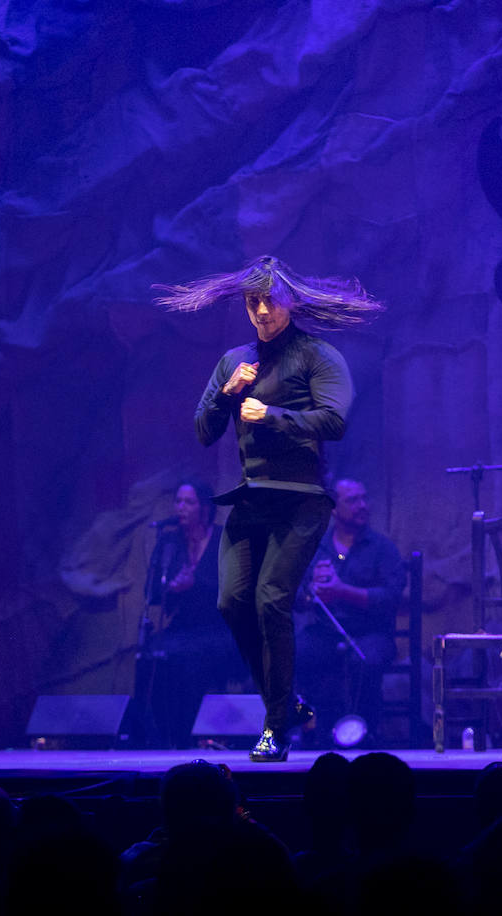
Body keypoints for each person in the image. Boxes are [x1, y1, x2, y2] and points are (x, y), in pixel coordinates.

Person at [155, 255, 384, 761]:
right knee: (231, 603)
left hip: (302, 499)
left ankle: (276, 726)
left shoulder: (317, 356)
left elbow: (335, 420)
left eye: (269, 300)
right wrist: (228, 394)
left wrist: (273, 414)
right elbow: (203, 430)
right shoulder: (234, 362)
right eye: (252, 302)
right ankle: (288, 702)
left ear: (290, 301)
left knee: (271, 600)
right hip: (252, 496)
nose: (260, 310)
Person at [296, 478, 405, 746]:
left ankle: (363, 736)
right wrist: (311, 592)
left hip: (372, 634)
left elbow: (391, 597)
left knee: (363, 660)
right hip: (325, 632)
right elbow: (294, 593)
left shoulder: (382, 548)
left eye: (364, 499)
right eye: (353, 500)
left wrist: (343, 591)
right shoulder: (315, 546)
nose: (362, 506)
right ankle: (306, 730)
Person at [140, 480, 243, 748]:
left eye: (188, 502)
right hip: (183, 626)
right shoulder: (169, 541)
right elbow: (151, 592)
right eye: (178, 502)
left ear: (205, 507)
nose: (181, 508)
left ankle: (191, 735)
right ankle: (160, 735)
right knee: (150, 654)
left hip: (221, 627)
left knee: (188, 659)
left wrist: (195, 585)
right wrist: (172, 588)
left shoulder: (225, 538)